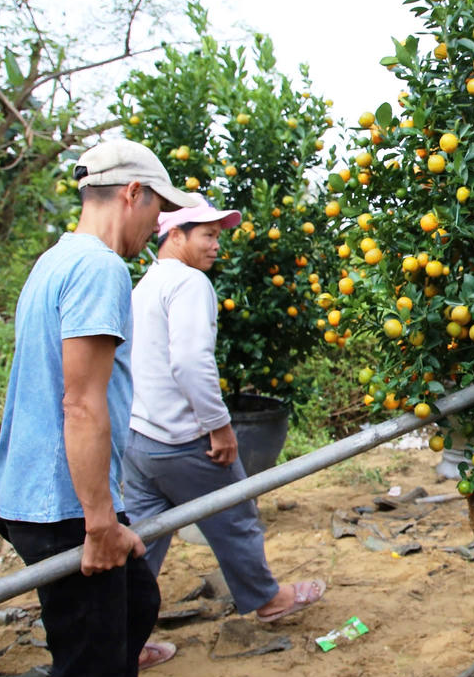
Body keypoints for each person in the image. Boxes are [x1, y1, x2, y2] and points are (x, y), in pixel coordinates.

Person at [0, 139, 200, 677]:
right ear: (130, 192)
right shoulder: (99, 267)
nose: (157, 224)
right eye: (156, 208)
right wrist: (100, 522)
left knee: (135, 602)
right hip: (63, 505)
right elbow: (80, 403)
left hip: (39, 493)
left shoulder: (57, 258)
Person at [122, 193, 326, 634]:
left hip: (139, 440)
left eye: (218, 236)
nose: (217, 246)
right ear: (174, 234)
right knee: (236, 518)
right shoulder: (190, 284)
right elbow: (191, 364)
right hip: (183, 440)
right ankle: (269, 599)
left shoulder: (145, 284)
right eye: (208, 235)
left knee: (140, 542)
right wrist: (219, 428)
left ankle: (120, 638)